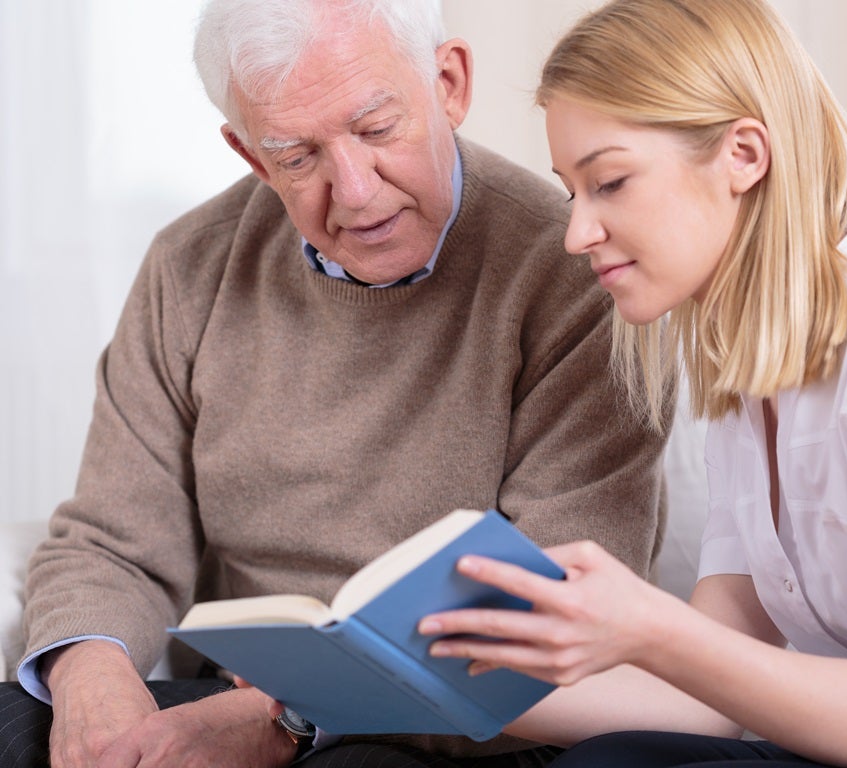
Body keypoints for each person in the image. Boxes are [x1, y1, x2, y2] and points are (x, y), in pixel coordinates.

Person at [0, 1, 670, 767]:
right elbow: (110, 541)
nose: (353, 190)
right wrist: (94, 681)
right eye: (296, 155)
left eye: (378, 129)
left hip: (450, 725)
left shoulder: (577, 275)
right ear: (250, 156)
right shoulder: (190, 266)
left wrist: (290, 719)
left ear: (448, 83)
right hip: (222, 701)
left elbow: (550, 622)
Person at [415, 1, 847, 767]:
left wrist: (649, 626)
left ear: (743, 155)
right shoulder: (749, 381)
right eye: (571, 192)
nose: (575, 233)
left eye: (609, 182)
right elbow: (703, 698)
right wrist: (428, 684)